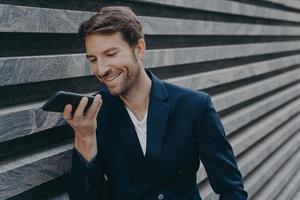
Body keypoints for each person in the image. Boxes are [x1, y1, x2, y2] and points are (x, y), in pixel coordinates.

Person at [64, 6, 248, 200]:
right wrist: (85, 137)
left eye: (111, 54)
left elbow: (232, 190)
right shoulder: (95, 113)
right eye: (93, 59)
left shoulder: (193, 106)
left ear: (139, 49)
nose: (100, 69)